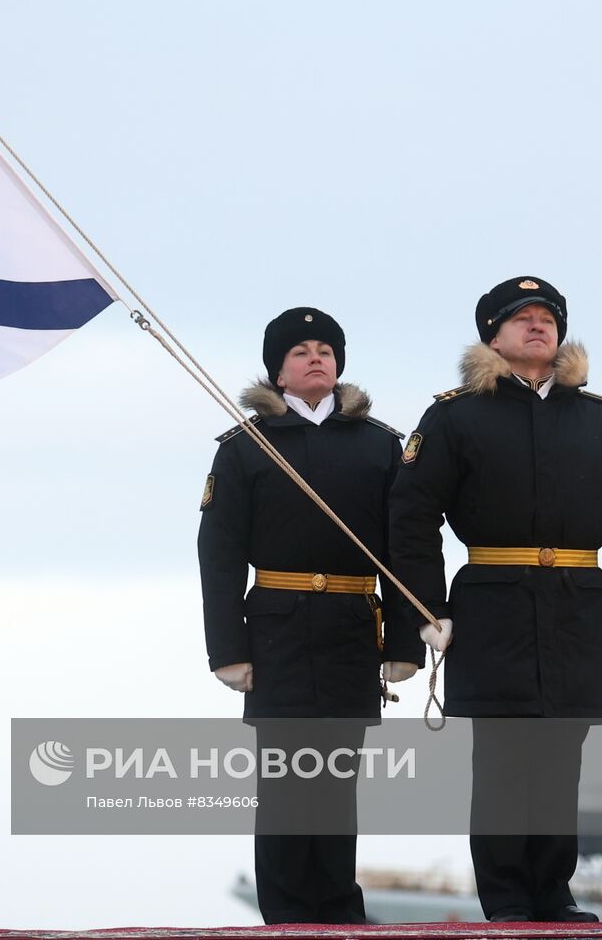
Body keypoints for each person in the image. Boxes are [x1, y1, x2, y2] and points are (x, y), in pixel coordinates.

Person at [389, 277, 602, 923]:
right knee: (505, 761)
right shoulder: (454, 416)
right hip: (492, 608)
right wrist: (429, 609)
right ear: (494, 334)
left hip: (579, 608)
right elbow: (411, 513)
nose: (538, 326)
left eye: (547, 318)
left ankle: (553, 896)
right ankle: (508, 900)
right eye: (522, 318)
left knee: (562, 760)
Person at [197, 307, 423, 924]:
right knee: (285, 782)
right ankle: (286, 916)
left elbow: (405, 549)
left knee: (337, 780)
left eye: (325, 348)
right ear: (278, 370)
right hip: (276, 633)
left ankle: (338, 913)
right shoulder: (244, 448)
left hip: (353, 627)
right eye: (300, 350)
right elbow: (217, 558)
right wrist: (228, 650)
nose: (315, 357)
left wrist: (407, 641)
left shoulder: (381, 446)